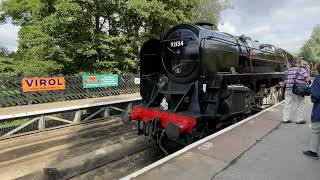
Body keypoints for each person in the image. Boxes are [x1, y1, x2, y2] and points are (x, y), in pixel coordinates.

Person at [282, 58, 310, 124]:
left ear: (293, 63)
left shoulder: (288, 70)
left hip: (288, 89)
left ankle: (285, 119)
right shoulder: (302, 70)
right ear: (299, 63)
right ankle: (299, 119)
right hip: (299, 89)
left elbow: (284, 79)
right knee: (301, 104)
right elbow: (308, 79)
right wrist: (308, 72)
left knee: (287, 104)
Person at [303, 61, 320, 159]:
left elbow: (316, 95)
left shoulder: (318, 78)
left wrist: (312, 97)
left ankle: (313, 152)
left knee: (316, 129)